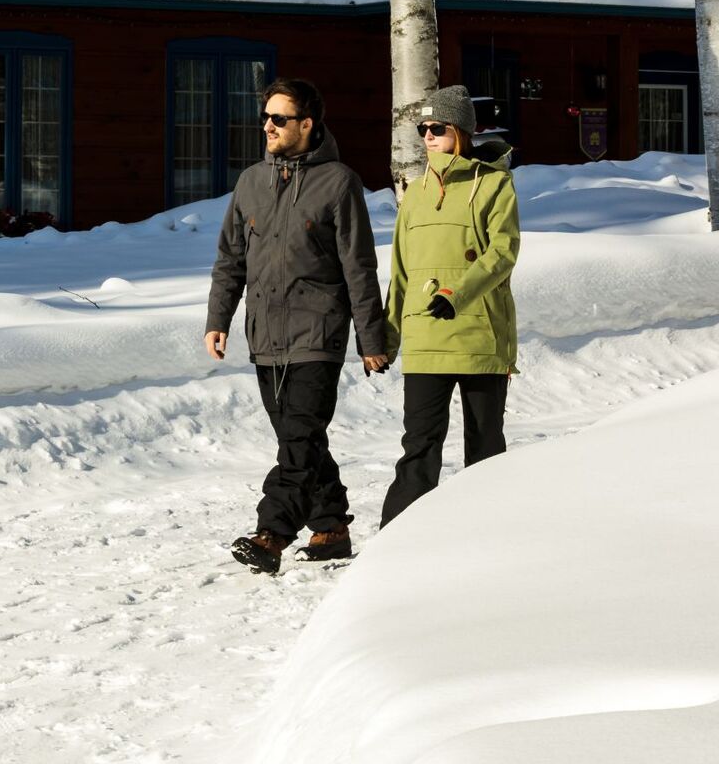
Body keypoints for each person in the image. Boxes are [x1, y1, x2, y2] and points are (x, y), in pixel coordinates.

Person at [205, 77, 389, 574]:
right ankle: (331, 526)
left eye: (279, 118)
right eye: (265, 116)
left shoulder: (339, 182)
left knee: (300, 437)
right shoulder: (250, 183)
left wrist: (372, 338)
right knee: (299, 439)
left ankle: (272, 534)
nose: (267, 125)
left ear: (307, 125)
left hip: (318, 333)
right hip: (265, 334)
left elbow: (358, 266)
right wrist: (218, 318)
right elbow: (230, 260)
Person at [380, 84, 520, 527]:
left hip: (480, 337)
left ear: (460, 130)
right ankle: (396, 541)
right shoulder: (414, 193)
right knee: (419, 446)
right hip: (425, 339)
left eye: (436, 127)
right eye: (423, 128)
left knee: (484, 448)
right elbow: (401, 271)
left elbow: (503, 253)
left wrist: (455, 294)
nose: (427, 136)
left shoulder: (495, 184)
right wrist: (384, 336)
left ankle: (485, 536)